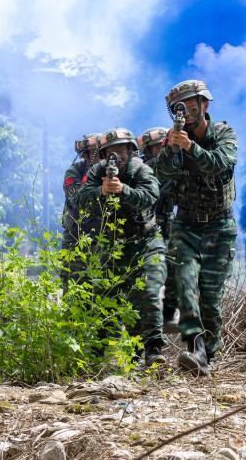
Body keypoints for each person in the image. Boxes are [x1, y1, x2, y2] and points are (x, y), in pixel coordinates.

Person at [152, 80, 238, 376]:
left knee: (211, 298)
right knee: (186, 286)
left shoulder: (224, 133)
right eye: (180, 109)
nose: (186, 114)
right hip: (186, 224)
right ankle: (195, 348)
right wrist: (173, 148)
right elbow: (160, 175)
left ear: (204, 105)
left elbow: (222, 165)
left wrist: (191, 148)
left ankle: (208, 357)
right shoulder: (174, 139)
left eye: (191, 107)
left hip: (220, 226)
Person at [75, 128, 167, 367]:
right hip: (113, 246)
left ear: (130, 150)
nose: (117, 155)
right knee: (106, 297)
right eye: (111, 151)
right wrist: (101, 191)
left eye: (122, 149)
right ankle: (104, 355)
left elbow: (150, 195)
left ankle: (154, 350)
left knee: (148, 293)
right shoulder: (97, 172)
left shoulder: (141, 170)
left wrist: (123, 190)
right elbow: (80, 200)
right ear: (105, 154)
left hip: (146, 243)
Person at [138, 127, 179, 333]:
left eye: (162, 146)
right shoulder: (143, 170)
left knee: (175, 268)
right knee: (148, 276)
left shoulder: (174, 165)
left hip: (168, 223)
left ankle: (168, 315)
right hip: (145, 228)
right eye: (156, 148)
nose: (160, 151)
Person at [61, 133, 102, 285]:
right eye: (95, 152)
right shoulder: (74, 171)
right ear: (86, 154)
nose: (100, 156)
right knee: (73, 282)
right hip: (76, 236)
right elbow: (76, 198)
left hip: (104, 235)